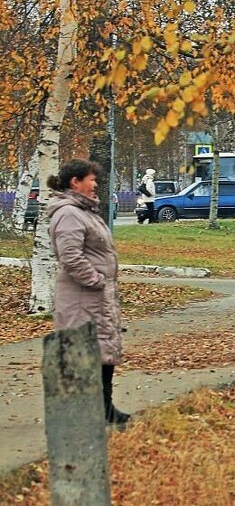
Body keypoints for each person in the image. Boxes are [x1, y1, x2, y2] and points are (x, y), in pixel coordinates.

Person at [45, 158, 129, 428]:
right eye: (92, 180)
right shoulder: (69, 213)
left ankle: (103, 408)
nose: (96, 185)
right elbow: (70, 256)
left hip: (95, 296)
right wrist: (96, 280)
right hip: (83, 296)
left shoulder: (84, 210)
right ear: (75, 182)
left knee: (102, 352)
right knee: (86, 354)